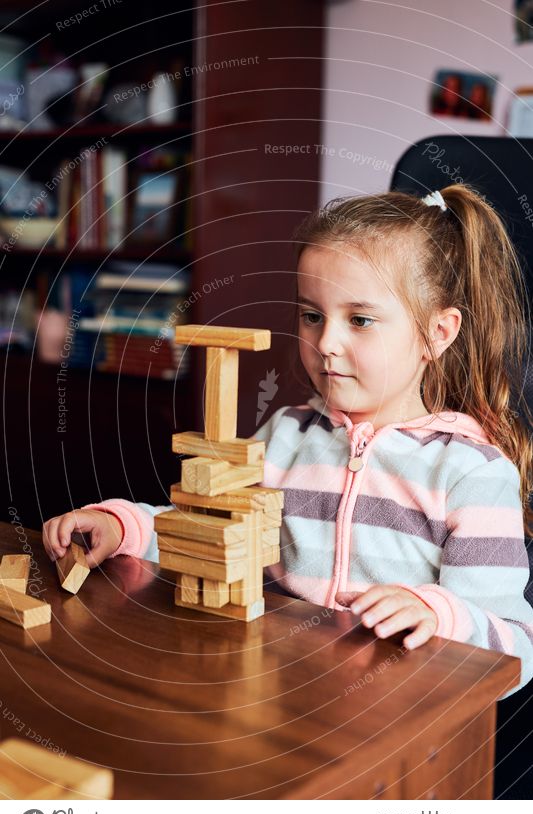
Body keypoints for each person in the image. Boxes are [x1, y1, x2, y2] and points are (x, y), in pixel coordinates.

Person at [42, 184, 533, 696]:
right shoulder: (285, 435)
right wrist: (124, 526)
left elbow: (516, 651)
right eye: (312, 315)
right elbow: (213, 533)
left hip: (397, 725)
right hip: (279, 700)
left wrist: (441, 614)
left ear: (438, 333)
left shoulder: (472, 473)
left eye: (360, 320)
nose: (326, 343)